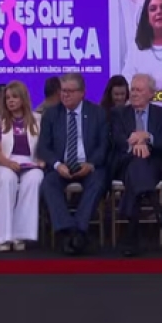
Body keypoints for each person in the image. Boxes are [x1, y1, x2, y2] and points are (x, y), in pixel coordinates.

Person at [38, 73, 108, 256]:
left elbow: (104, 146)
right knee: (48, 184)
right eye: (63, 91)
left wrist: (91, 164)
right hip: (62, 166)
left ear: (82, 93)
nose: (65, 95)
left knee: (98, 182)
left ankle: (78, 229)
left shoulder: (97, 113)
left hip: (88, 165)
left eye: (69, 91)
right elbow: (44, 147)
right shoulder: (52, 114)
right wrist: (57, 165)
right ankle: (70, 229)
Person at [111, 74, 162, 256]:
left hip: (154, 164)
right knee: (136, 162)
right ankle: (156, 204)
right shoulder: (119, 113)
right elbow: (117, 140)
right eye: (133, 89)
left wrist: (148, 137)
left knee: (137, 174)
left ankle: (131, 236)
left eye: (139, 90)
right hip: (125, 163)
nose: (134, 93)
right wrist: (136, 144)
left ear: (151, 94)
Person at [0, 81, 43, 252]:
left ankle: (21, 234)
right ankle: (4, 237)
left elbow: (43, 146)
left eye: (14, 97)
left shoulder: (38, 120)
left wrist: (41, 161)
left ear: (23, 98)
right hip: (3, 162)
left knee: (34, 178)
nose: (10, 101)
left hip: (30, 162)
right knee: (7, 178)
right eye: (7, 98)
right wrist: (8, 163)